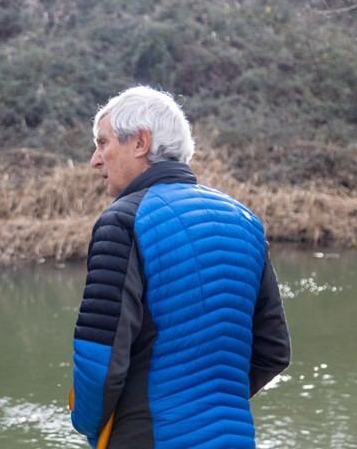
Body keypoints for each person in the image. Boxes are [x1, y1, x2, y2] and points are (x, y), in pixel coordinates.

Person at [69, 86, 291, 448]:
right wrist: (214, 404)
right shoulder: (245, 220)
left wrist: (90, 426)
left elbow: (100, 359)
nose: (95, 159)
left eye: (102, 143)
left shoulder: (123, 221)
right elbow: (273, 350)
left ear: (140, 142)